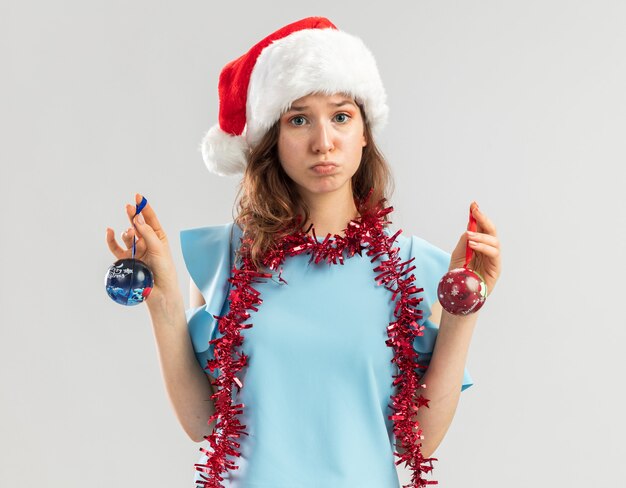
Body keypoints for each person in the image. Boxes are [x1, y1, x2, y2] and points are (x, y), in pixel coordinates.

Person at [105, 16, 501, 488]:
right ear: (274, 136)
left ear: (364, 130)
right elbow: (202, 423)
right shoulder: (226, 258)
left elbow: (419, 439)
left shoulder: (412, 268)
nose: (323, 142)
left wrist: (464, 306)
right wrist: (164, 301)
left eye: (340, 116)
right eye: (298, 119)